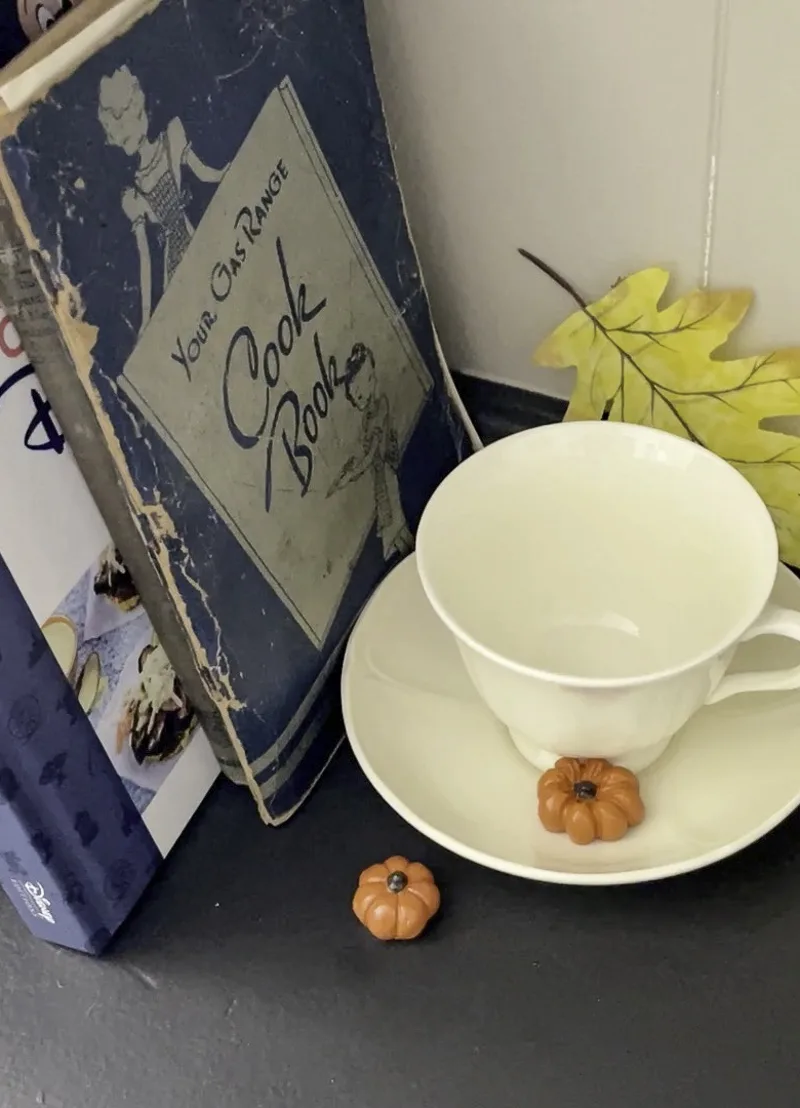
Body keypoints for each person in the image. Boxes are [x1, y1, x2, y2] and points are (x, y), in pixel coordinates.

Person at [97, 65, 227, 333]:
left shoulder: (172, 136)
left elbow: (207, 174)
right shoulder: (132, 195)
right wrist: (146, 318)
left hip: (199, 237)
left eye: (127, 121)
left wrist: (231, 170)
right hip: (174, 265)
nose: (123, 138)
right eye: (118, 134)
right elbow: (146, 259)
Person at [327, 343, 413, 560]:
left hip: (384, 475)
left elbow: (372, 453)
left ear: (370, 378)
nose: (356, 398)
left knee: (394, 528)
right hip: (380, 478)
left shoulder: (378, 408)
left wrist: (349, 477)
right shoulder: (368, 416)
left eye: (358, 392)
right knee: (393, 529)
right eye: (354, 396)